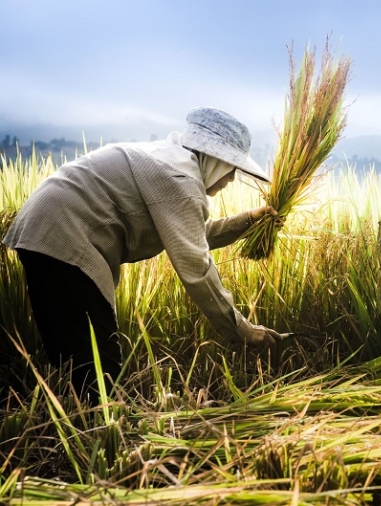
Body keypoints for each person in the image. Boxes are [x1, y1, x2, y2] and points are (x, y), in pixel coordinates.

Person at [3, 106, 284, 395]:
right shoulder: (180, 180)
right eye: (231, 168)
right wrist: (244, 331)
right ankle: (99, 430)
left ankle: (80, 428)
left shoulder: (169, 160)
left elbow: (190, 237)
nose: (231, 180)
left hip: (41, 231)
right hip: (66, 236)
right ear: (215, 160)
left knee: (75, 359)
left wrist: (249, 220)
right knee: (101, 368)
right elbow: (197, 270)